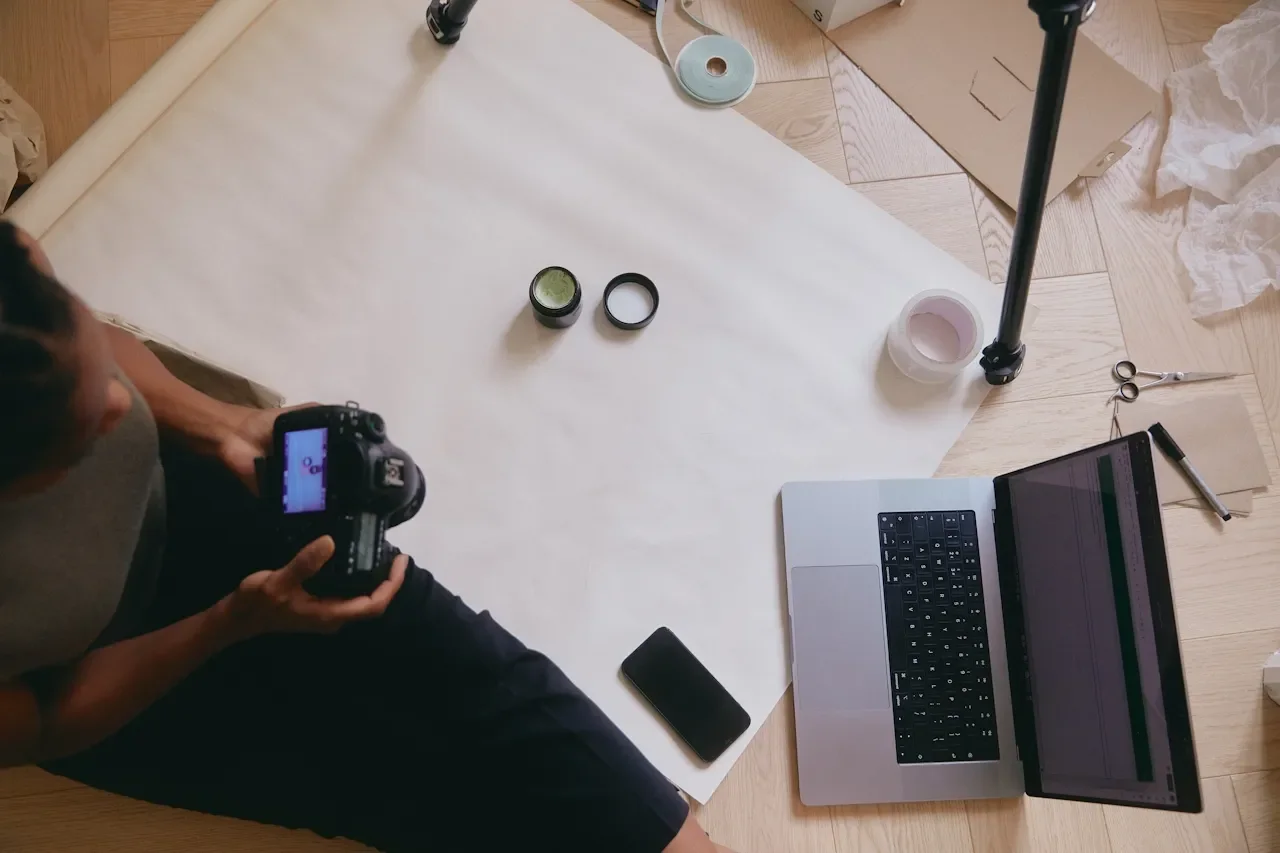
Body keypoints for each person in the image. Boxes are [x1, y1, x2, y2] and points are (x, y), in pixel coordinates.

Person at [0, 220, 731, 853]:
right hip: (108, 676)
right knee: (389, 781)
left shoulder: (16, 296)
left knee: (476, 676)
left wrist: (222, 425)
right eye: (78, 431)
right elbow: (42, 721)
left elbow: (81, 336)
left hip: (187, 499)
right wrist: (231, 622)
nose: (119, 410)